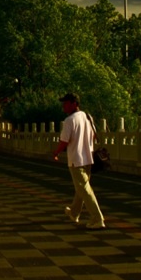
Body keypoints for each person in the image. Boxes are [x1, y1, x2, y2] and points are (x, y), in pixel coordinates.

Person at [51, 92, 105, 229]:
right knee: (81, 188)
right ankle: (74, 213)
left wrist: (56, 152)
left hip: (76, 159)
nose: (63, 106)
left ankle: (97, 218)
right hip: (88, 158)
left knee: (85, 189)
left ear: (74, 103)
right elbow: (93, 136)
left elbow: (64, 141)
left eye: (66, 103)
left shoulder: (69, 120)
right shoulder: (88, 116)